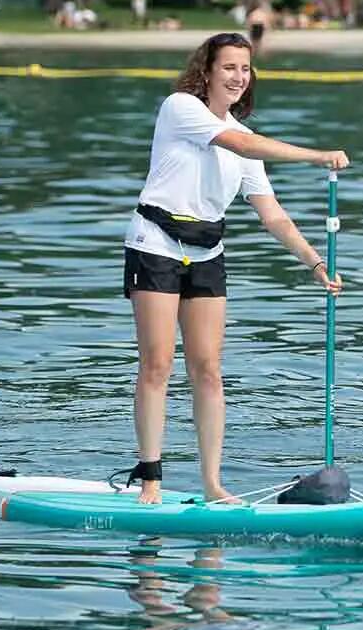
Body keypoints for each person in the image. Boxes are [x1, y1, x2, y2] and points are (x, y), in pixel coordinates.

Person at [123, 32, 349, 506]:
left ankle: (212, 483)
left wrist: (314, 262)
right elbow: (242, 147)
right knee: (158, 365)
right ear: (206, 72)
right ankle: (151, 481)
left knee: (208, 370)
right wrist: (315, 156)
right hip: (157, 244)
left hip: (207, 251)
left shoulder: (245, 140)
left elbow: (272, 215)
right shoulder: (181, 108)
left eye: (245, 70)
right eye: (228, 68)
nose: (238, 77)